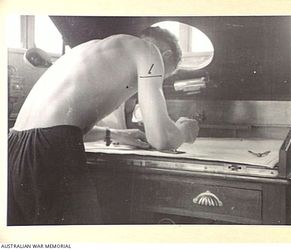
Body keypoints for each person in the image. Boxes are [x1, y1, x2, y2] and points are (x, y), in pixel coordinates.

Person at [8, 26, 199, 225]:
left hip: (13, 147)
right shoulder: (149, 52)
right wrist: (183, 132)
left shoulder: (85, 51)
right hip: (50, 152)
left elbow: (50, 128)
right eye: (163, 76)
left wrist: (116, 134)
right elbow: (161, 139)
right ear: (165, 56)